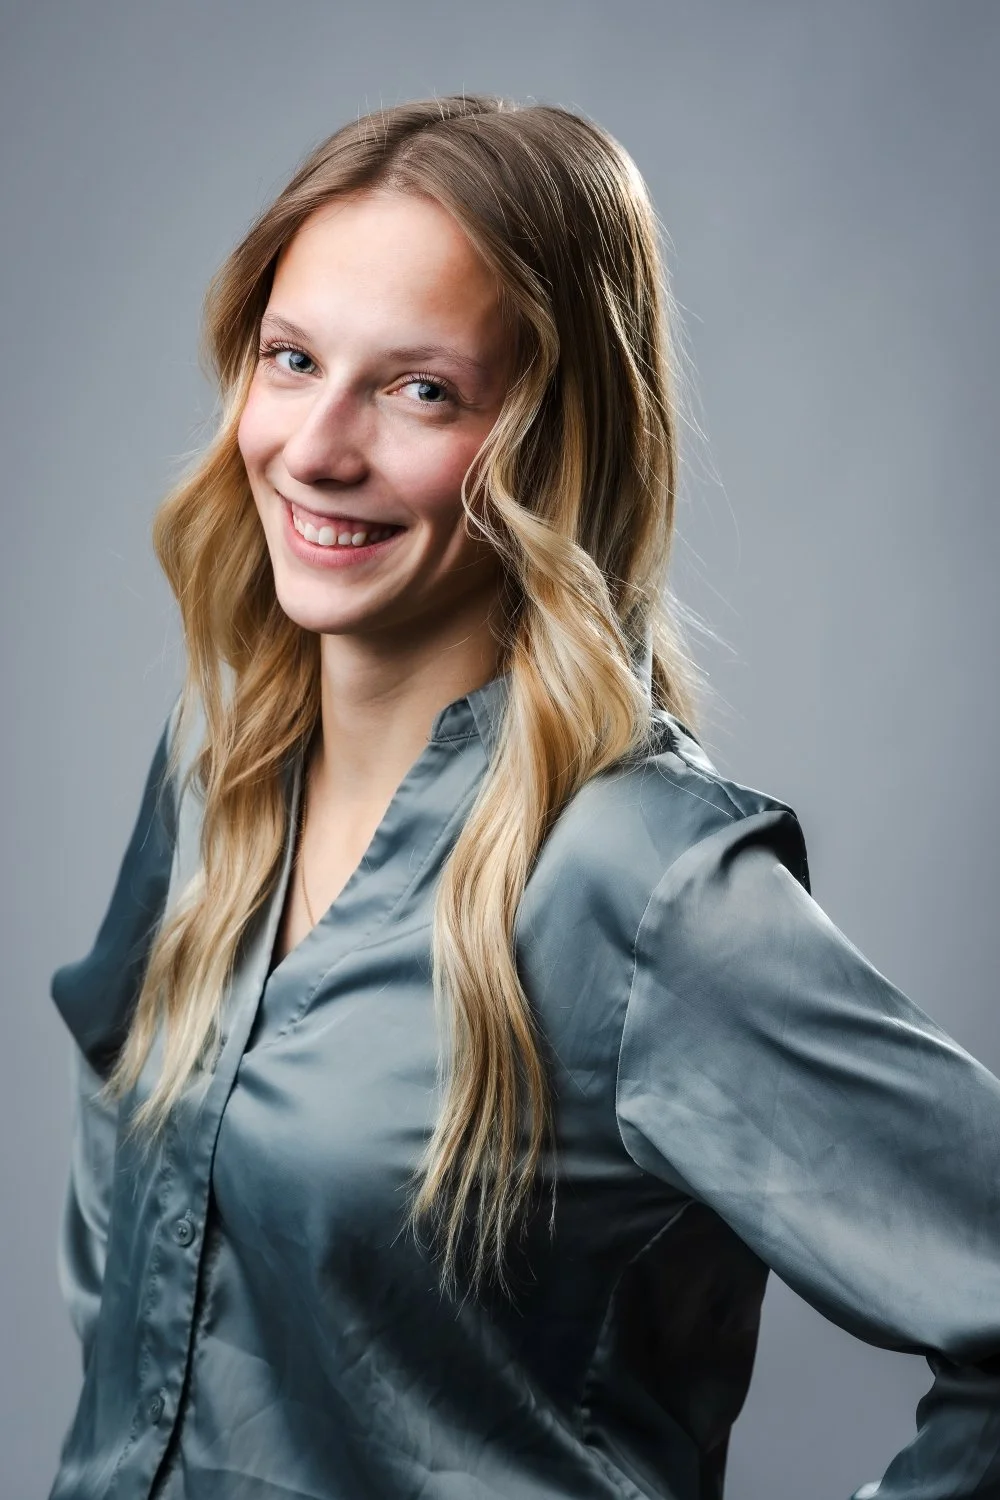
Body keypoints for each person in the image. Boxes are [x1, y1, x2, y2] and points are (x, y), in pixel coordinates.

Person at [48, 94, 1000, 1500]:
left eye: (420, 389)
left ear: (551, 439)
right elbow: (123, 1233)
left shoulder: (644, 886)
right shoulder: (214, 767)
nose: (316, 446)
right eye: (292, 359)